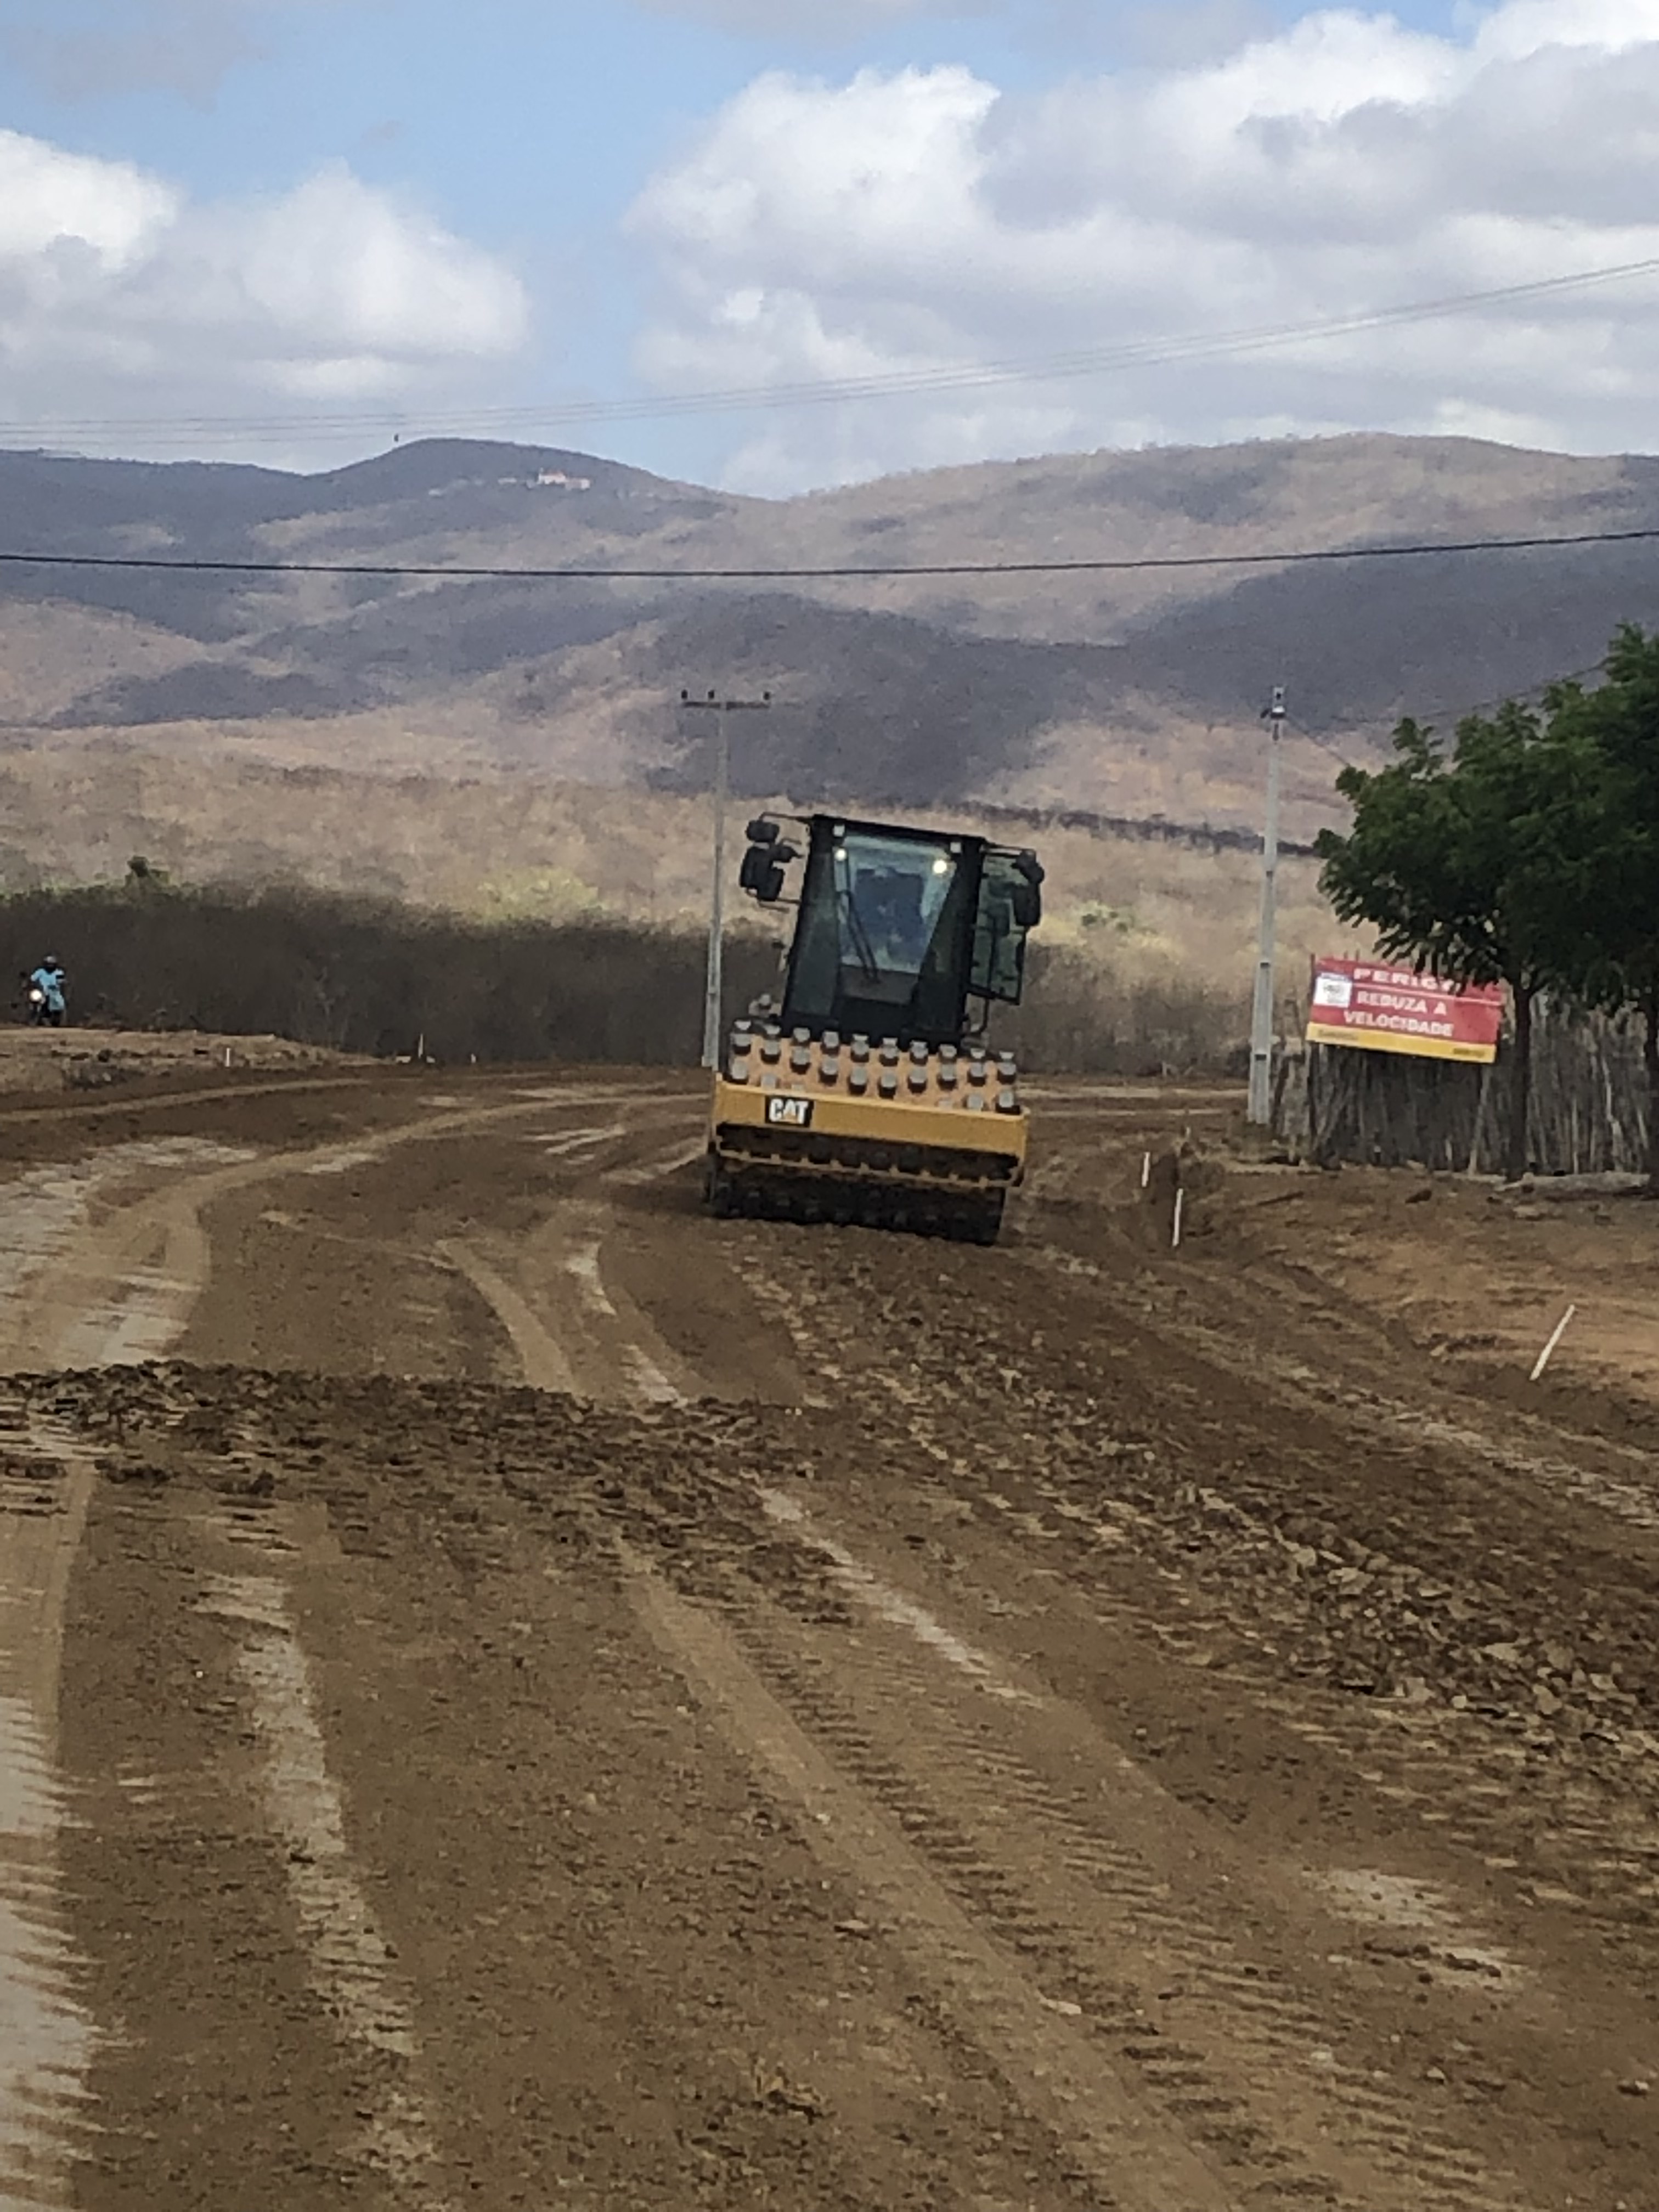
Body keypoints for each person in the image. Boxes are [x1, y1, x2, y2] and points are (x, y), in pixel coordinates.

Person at [27, 956, 66, 1027]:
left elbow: (61, 982)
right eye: (48, 964)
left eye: (52, 964)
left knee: (60, 1004)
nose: (50, 966)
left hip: (54, 992)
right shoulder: (40, 972)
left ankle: (55, 1019)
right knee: (36, 1001)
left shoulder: (59, 972)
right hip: (42, 991)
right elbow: (32, 979)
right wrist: (34, 985)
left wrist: (58, 984)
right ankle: (35, 1019)